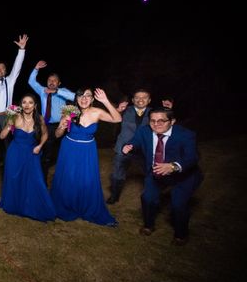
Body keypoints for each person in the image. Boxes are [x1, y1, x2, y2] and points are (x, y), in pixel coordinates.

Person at [122, 107, 203, 245]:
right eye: (152, 121)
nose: (156, 124)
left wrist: (172, 166)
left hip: (182, 175)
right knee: (147, 198)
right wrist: (129, 146)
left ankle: (181, 234)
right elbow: (134, 142)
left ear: (172, 121)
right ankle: (148, 225)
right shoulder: (144, 131)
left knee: (178, 205)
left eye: (161, 121)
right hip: (156, 172)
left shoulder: (186, 135)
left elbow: (192, 158)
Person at [51, 88, 121, 226]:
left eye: (88, 96)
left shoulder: (97, 112)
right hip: (69, 148)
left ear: (92, 99)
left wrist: (105, 100)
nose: (84, 99)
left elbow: (117, 118)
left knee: (87, 178)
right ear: (76, 99)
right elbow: (57, 135)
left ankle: (86, 206)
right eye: (80, 96)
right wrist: (62, 127)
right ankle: (66, 204)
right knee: (68, 177)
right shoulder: (70, 112)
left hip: (87, 149)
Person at [107, 89, 173, 204]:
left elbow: (167, 124)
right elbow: (110, 120)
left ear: (149, 100)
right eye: (137, 97)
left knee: (152, 172)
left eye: (144, 97)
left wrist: (168, 110)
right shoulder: (125, 110)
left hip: (144, 148)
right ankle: (114, 195)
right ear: (133, 100)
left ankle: (155, 194)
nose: (140, 99)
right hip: (124, 148)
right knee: (117, 173)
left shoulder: (155, 112)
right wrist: (118, 110)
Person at [0, 94, 55, 221]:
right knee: (14, 178)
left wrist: (40, 145)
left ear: (35, 106)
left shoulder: (39, 119)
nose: (27, 105)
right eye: (24, 102)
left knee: (35, 180)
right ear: (20, 105)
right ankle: (15, 203)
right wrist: (9, 124)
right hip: (16, 153)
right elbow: (2, 136)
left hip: (32, 153)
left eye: (30, 102)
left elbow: (45, 135)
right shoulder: (15, 117)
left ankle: (31, 204)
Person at [0, 34, 28, 178]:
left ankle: (10, 168)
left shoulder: (10, 81)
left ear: (6, 71)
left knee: (8, 144)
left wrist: (21, 50)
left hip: (6, 116)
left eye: (2, 68)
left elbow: (17, 67)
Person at [28, 61, 76, 184]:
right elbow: (31, 82)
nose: (51, 82)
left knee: (63, 153)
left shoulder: (62, 91)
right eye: (50, 80)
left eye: (55, 80)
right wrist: (36, 69)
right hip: (47, 126)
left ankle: (64, 180)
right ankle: (42, 181)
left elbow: (74, 97)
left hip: (61, 126)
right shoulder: (42, 90)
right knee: (46, 155)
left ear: (58, 83)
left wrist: (57, 92)